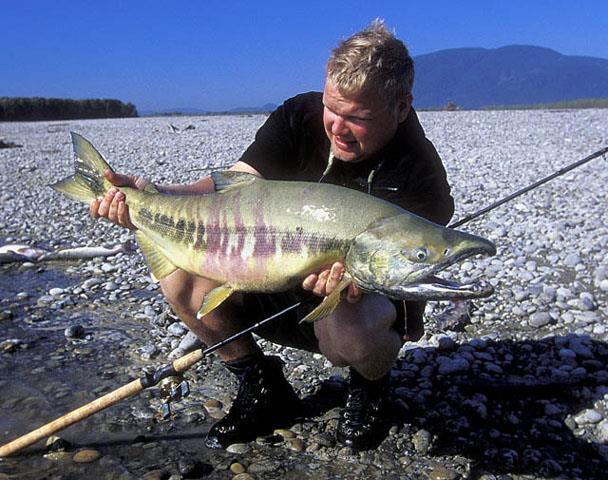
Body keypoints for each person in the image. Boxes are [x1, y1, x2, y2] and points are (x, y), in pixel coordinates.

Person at [90, 20, 454, 450]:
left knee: (354, 327)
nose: (337, 127)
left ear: (401, 107)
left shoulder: (420, 177)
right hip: (270, 279)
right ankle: (261, 386)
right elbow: (233, 184)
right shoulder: (298, 115)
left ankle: (369, 386)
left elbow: (401, 278)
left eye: (358, 118)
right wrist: (151, 194)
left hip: (354, 306)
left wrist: (347, 287)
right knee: (180, 278)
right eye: (332, 108)